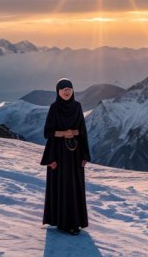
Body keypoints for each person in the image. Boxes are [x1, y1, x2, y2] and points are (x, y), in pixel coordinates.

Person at [40, 78, 91, 235]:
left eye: (69, 88)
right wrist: (64, 133)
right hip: (59, 154)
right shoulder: (54, 108)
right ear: (58, 92)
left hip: (75, 153)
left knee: (73, 187)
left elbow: (82, 131)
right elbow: (47, 132)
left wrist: (85, 155)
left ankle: (74, 223)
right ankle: (62, 222)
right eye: (63, 89)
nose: (67, 91)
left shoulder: (77, 106)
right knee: (62, 186)